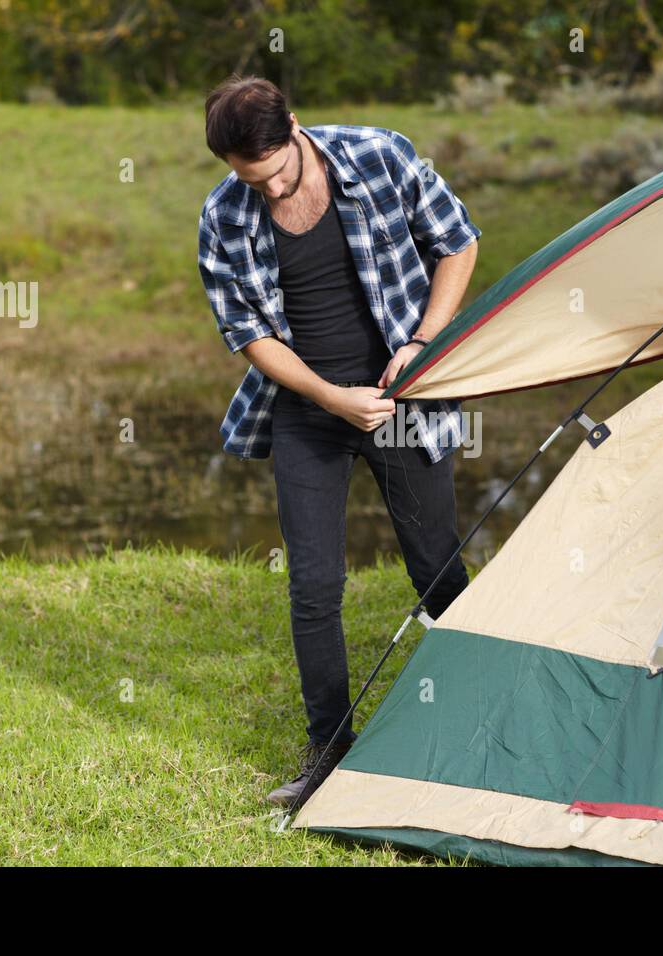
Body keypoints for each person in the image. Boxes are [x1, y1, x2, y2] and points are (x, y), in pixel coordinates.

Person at [197, 75, 478, 806]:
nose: (268, 191)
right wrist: (328, 398)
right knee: (314, 587)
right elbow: (251, 334)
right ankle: (330, 750)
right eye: (246, 179)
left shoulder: (380, 155)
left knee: (438, 571)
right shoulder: (224, 215)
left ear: (295, 127)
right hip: (308, 409)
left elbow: (457, 242)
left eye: (276, 174)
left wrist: (421, 342)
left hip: (403, 398)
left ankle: (483, 718)